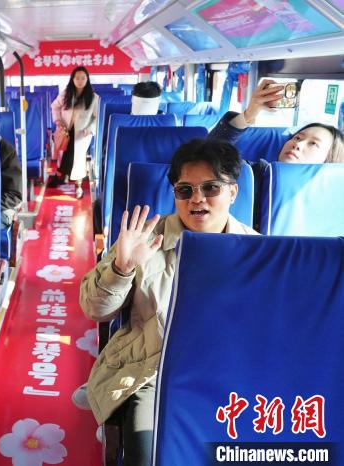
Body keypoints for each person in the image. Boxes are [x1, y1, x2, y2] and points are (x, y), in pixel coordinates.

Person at [80, 139, 257, 465]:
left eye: (211, 187)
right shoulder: (145, 239)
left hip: (227, 377)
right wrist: (122, 269)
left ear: (232, 192)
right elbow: (95, 310)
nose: (197, 199)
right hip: (154, 374)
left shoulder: (257, 252)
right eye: (185, 190)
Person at [208, 78, 344, 229]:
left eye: (313, 144)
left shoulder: (333, 204)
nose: (298, 144)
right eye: (297, 138)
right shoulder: (256, 174)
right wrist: (248, 114)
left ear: (329, 160)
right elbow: (208, 155)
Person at [51, 66, 100, 199]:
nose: (80, 81)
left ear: (87, 79)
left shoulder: (94, 98)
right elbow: (55, 106)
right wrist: (58, 121)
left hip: (82, 133)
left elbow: (97, 117)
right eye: (77, 78)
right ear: (72, 79)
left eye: (83, 78)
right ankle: (62, 176)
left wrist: (91, 129)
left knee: (78, 159)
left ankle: (78, 185)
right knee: (64, 155)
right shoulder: (65, 94)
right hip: (65, 130)